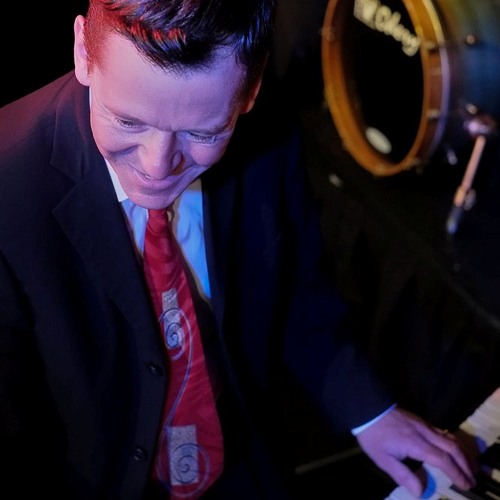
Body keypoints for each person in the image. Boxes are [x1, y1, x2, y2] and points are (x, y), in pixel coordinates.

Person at [0, 0, 476, 498]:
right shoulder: (8, 189)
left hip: (241, 460)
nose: (158, 167)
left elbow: (295, 288)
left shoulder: (270, 126)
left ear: (251, 88)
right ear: (82, 51)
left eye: (201, 132)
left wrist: (371, 414)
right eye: (128, 122)